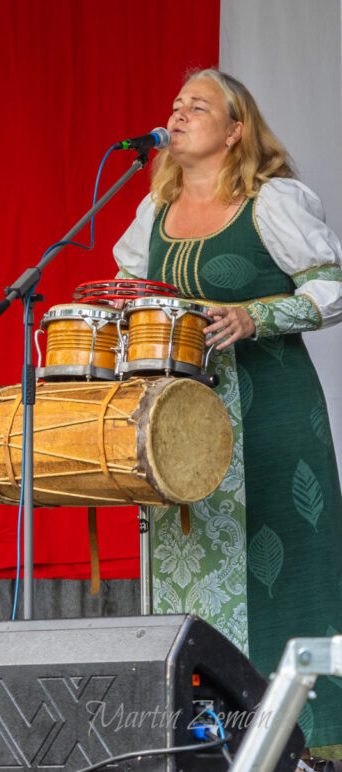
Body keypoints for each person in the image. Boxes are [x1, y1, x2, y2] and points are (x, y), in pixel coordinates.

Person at [113, 69, 342, 749]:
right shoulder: (153, 212)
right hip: (176, 430)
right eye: (174, 103)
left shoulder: (273, 201)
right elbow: (127, 288)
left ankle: (305, 742)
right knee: (185, 580)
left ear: (236, 130)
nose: (177, 114)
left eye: (198, 106)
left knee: (285, 570)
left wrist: (255, 316)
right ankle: (201, 739)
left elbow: (332, 284)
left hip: (270, 417)